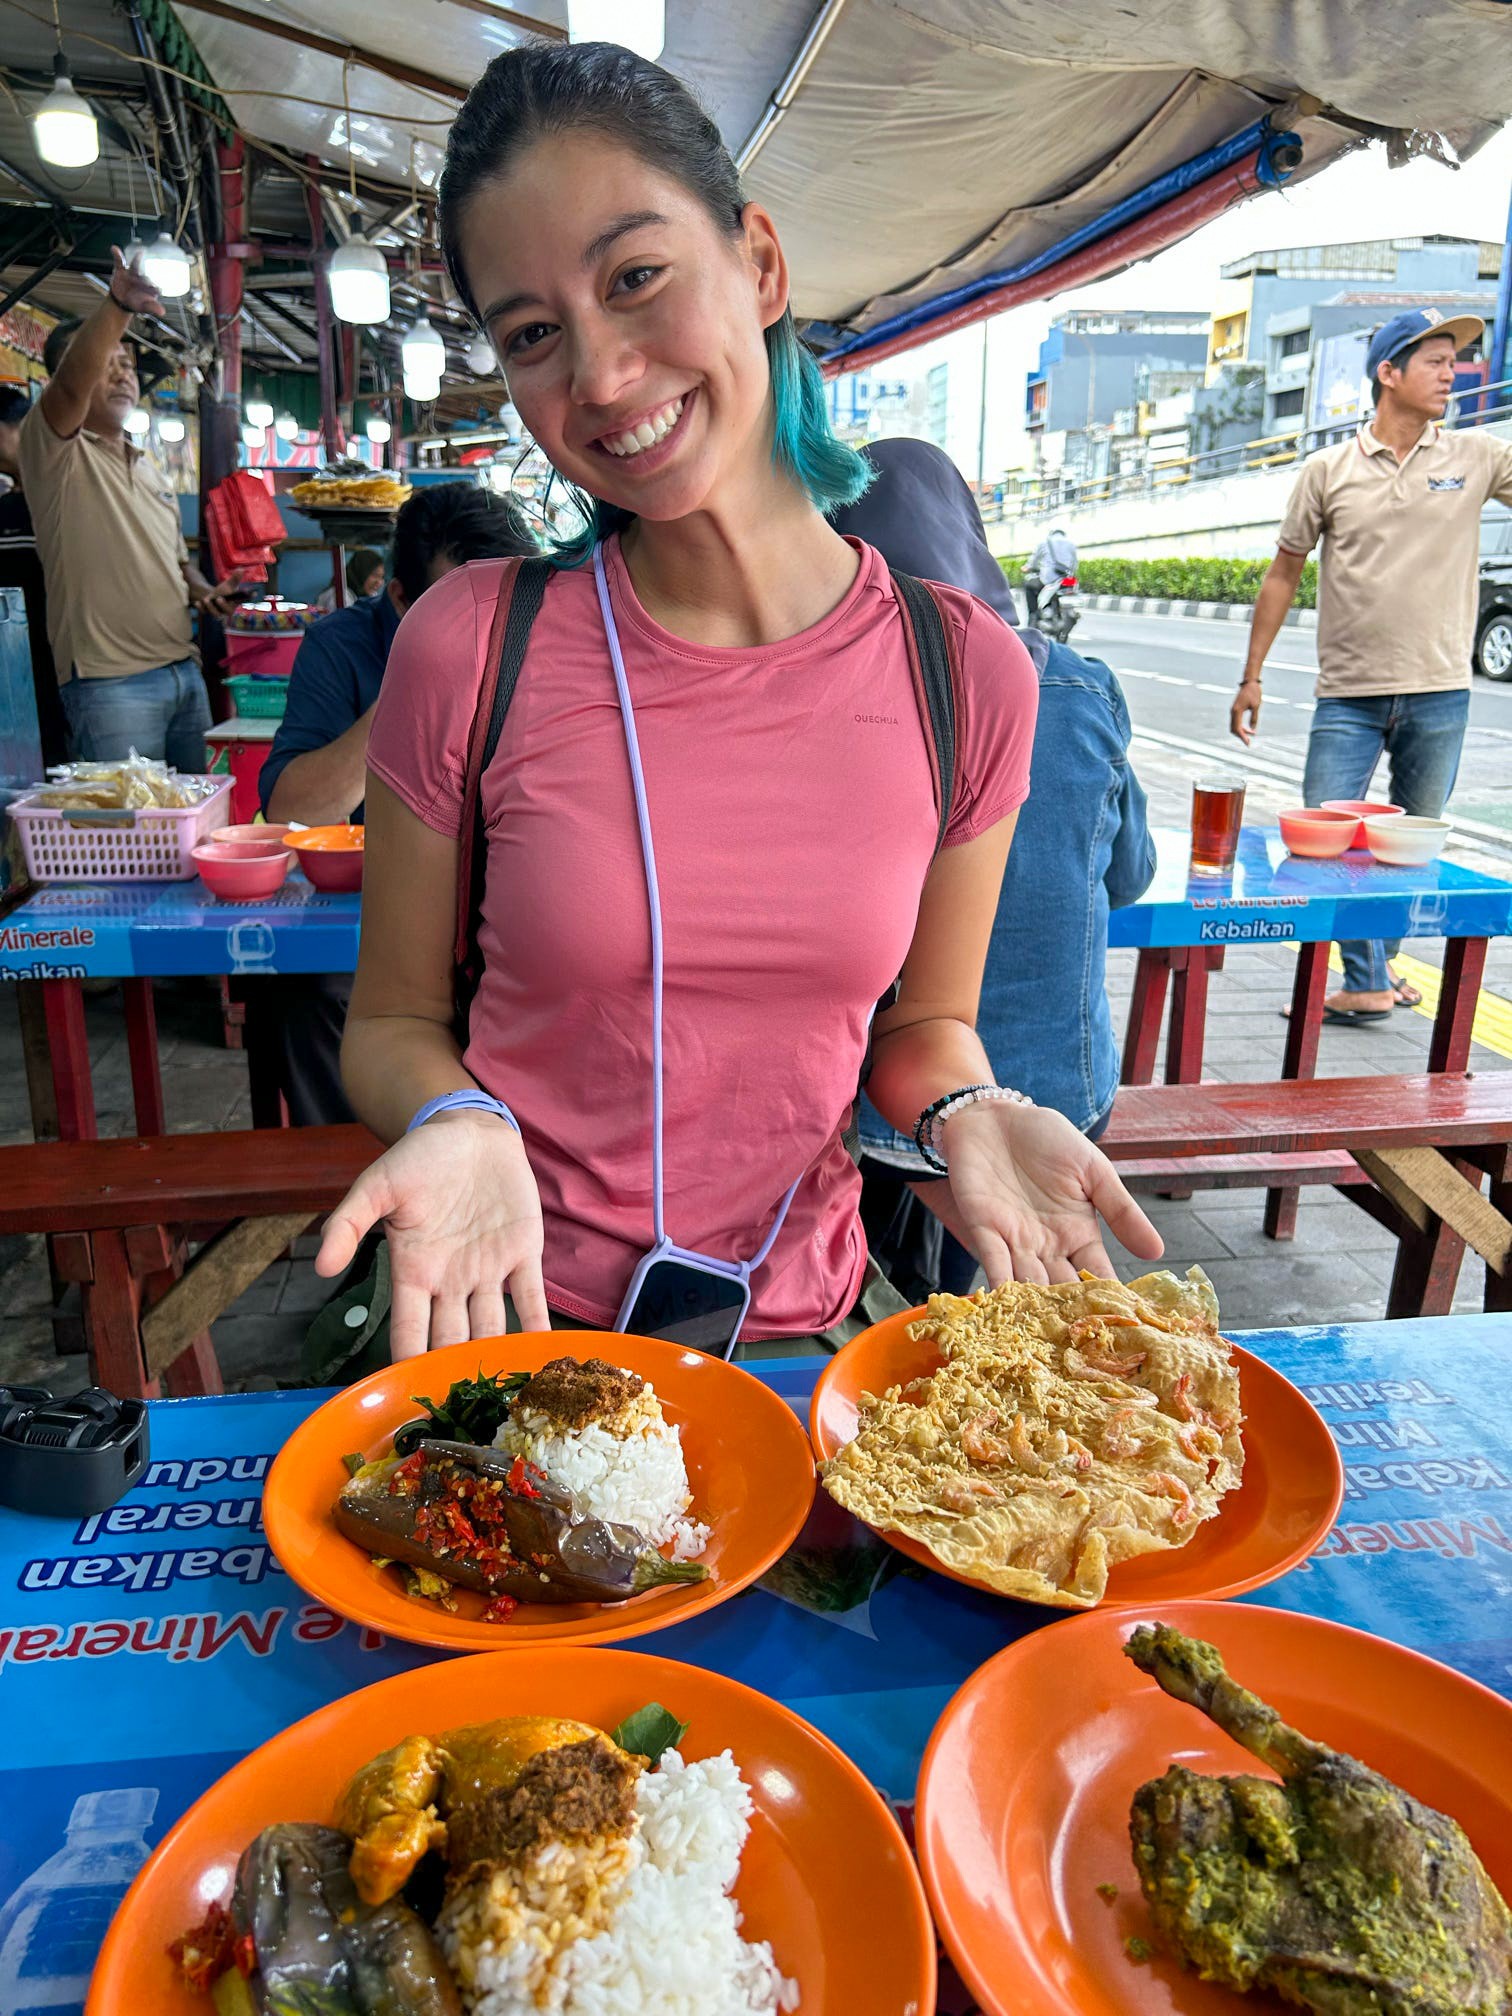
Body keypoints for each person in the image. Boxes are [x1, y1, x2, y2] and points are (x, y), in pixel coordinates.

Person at [313, 40, 1161, 1362]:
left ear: (759, 263)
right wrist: (455, 1120)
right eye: (533, 335)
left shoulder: (965, 675)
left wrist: (967, 1111)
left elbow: (925, 1028)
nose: (600, 377)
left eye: (635, 278)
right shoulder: (473, 643)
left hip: (797, 1342)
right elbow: (391, 1023)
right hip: (513, 1325)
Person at [836, 439, 1157, 1299]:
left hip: (891, 1103)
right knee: (998, 1270)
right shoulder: (1081, 688)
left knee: (911, 1292)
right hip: (1062, 1092)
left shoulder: (842, 697)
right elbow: (1129, 876)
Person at [1231, 306, 1512, 1025]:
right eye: (1436, 362)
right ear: (1388, 373)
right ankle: (1368, 976)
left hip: (1440, 692)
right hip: (1348, 696)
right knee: (1324, 845)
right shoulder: (1328, 470)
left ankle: (1373, 973)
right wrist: (1252, 675)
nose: (1453, 373)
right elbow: (1283, 573)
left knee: (1408, 851)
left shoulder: (1476, 457)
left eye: (1454, 361)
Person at [248, 482, 539, 1127]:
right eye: (461, 609)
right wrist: (419, 682)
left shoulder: (542, 632)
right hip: (371, 918)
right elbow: (294, 809)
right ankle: (358, 1176)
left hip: (505, 910)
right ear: (401, 598)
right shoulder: (342, 647)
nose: (492, 630)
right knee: (308, 994)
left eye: (502, 605)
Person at [18, 254, 242, 771]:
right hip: (109, 683)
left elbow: (174, 562)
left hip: (182, 671)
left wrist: (205, 592)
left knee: (194, 814)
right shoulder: (53, 452)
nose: (122, 374)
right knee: (130, 822)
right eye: (107, 363)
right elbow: (70, 388)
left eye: (127, 365)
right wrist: (118, 306)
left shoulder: (149, 468)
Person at [1024, 524, 1077, 621]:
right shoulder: (1071, 544)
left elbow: (1033, 561)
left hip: (1048, 579)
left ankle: (1033, 617)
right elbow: (1074, 564)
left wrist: (1028, 567)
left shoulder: (1044, 542)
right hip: (1067, 579)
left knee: (1029, 585)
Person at [315, 546, 385, 615]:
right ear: (360, 573)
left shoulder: (369, 595)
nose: (379, 582)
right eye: (375, 575)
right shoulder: (339, 597)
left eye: (382, 577)